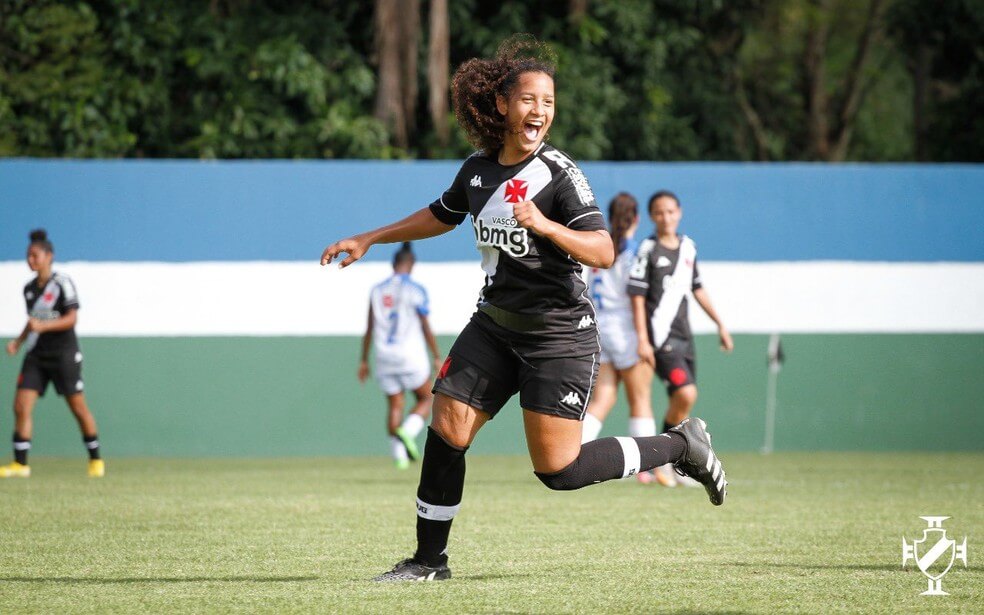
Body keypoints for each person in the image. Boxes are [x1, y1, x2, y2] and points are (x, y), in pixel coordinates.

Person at [320, 36, 727, 582]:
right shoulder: (478, 170)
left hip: (558, 336)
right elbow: (442, 214)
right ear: (502, 105)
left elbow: (603, 251)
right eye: (530, 99)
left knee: (559, 470)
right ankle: (428, 561)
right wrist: (370, 237)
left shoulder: (558, 174)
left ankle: (680, 445)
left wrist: (546, 225)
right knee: (447, 428)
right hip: (493, 327)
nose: (540, 111)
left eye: (549, 102)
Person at [627, 190, 733, 486]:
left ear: (679, 213)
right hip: (661, 339)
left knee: (682, 400)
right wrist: (643, 338)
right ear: (652, 216)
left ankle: (670, 461)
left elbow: (697, 288)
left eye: (670, 211)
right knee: (686, 393)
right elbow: (637, 296)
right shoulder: (648, 249)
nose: (666, 217)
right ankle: (667, 458)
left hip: (685, 338)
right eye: (659, 212)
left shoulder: (688, 247)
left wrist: (720, 324)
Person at [2, 229, 104, 478]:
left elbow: (71, 318)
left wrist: (44, 326)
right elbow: (33, 321)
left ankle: (95, 459)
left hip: (63, 354)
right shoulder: (29, 289)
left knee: (77, 407)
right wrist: (18, 342)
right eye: (28, 256)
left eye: (35, 255)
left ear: (49, 256)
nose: (31, 260)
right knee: (21, 405)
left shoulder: (62, 284)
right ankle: (20, 464)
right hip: (37, 355)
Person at [581, 193, 667, 485]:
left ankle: (575, 453)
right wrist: (643, 339)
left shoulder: (600, 249)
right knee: (640, 399)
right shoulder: (634, 252)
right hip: (626, 332)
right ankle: (646, 468)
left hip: (600, 329)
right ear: (637, 218)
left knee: (603, 399)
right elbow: (636, 298)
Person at [359, 242, 441, 470]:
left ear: (393, 264)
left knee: (395, 404)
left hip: (384, 355)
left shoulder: (377, 290)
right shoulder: (415, 289)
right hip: (410, 354)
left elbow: (369, 328)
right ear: (411, 264)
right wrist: (436, 355)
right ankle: (408, 431)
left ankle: (399, 457)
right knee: (427, 398)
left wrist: (364, 360)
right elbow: (425, 325)